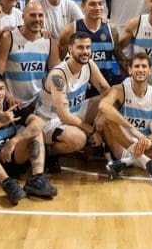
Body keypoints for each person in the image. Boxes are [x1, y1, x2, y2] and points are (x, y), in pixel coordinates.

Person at [0, 73, 57, 206]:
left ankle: (37, 180)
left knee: (35, 131)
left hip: (10, 159)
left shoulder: (12, 108)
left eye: (1, 88)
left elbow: (39, 122)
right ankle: (7, 183)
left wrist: (14, 141)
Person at [100, 53, 152, 184]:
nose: (140, 69)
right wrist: (131, 128)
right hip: (124, 145)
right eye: (137, 66)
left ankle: (126, 163)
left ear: (150, 71)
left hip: (145, 145)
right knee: (105, 119)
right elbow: (103, 106)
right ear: (130, 70)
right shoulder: (119, 89)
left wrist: (150, 139)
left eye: (144, 66)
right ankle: (147, 163)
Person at [39, 31, 111, 166]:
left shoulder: (89, 64)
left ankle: (108, 152)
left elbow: (107, 91)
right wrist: (92, 131)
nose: (85, 51)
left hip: (75, 111)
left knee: (109, 106)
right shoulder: (58, 75)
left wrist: (101, 115)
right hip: (51, 120)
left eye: (87, 47)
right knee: (79, 139)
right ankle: (48, 152)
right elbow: (64, 116)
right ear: (70, 48)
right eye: (80, 47)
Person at [0, 0, 61, 110]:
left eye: (40, 15)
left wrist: (44, 96)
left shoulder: (49, 41)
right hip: (11, 103)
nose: (37, 19)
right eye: (32, 15)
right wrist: (8, 97)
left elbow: (57, 74)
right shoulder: (8, 38)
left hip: (38, 103)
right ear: (23, 16)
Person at [60, 0, 125, 88]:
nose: (97, 7)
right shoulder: (71, 30)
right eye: (92, 4)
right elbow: (60, 61)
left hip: (106, 82)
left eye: (100, 3)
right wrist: (73, 79)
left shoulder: (110, 28)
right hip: (83, 86)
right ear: (83, 7)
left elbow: (120, 57)